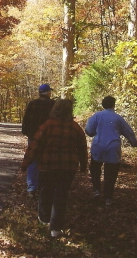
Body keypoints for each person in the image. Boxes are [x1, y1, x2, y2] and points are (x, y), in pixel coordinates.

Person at [21, 99, 88, 238]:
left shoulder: (47, 126)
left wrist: (26, 164)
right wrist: (83, 165)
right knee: (61, 195)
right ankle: (55, 228)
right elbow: (82, 148)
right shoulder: (75, 128)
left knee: (45, 191)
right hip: (67, 167)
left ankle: (44, 219)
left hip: (47, 165)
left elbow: (34, 145)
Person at [85, 95, 137, 206]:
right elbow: (128, 131)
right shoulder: (117, 118)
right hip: (113, 147)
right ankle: (108, 198)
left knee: (95, 168)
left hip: (98, 146)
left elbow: (89, 130)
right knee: (111, 173)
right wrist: (134, 143)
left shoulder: (97, 116)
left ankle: (96, 190)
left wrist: (97, 132)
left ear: (103, 104)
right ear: (113, 105)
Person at [22, 84, 55, 197]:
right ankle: (44, 187)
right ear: (47, 92)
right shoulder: (52, 104)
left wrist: (27, 133)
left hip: (34, 137)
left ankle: (32, 187)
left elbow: (26, 119)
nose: (51, 93)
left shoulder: (33, 104)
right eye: (50, 91)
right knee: (47, 161)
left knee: (33, 160)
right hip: (48, 138)